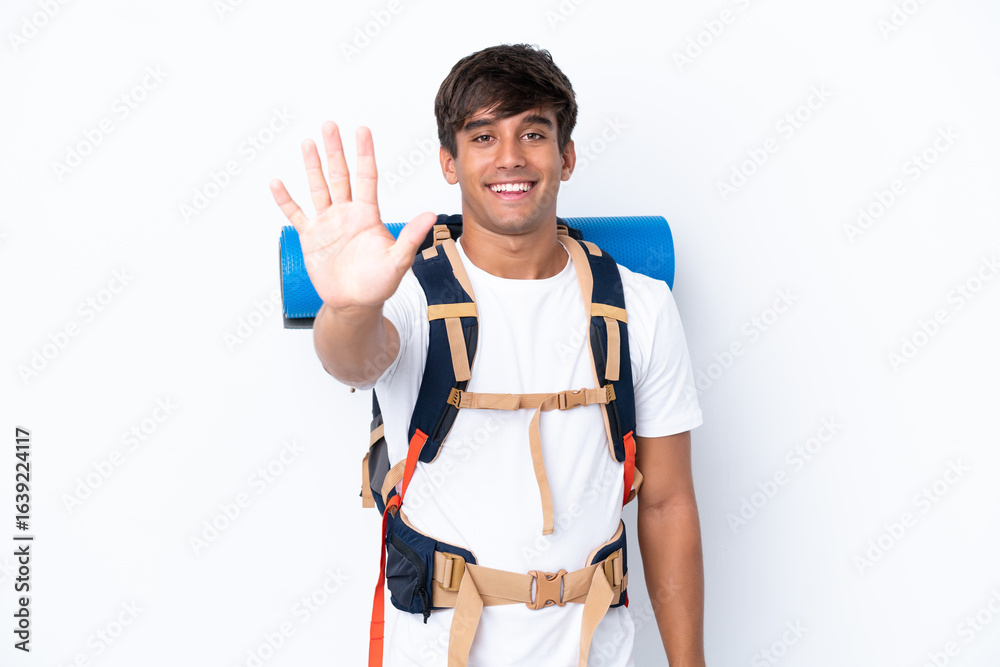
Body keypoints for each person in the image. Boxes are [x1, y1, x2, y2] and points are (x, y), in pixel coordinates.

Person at [270, 43, 705, 667]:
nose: (510, 157)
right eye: (482, 137)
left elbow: (666, 504)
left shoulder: (641, 306)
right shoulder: (409, 295)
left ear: (566, 156)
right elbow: (353, 360)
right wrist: (351, 306)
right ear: (449, 162)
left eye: (533, 133)